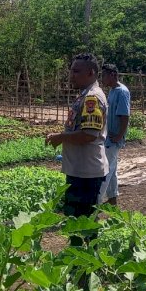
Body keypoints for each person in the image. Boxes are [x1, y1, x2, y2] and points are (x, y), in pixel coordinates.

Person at [45, 53, 108, 246]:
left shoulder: (92, 98)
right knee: (79, 226)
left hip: (86, 174)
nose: (71, 75)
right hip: (81, 171)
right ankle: (83, 267)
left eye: (76, 71)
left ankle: (84, 270)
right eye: (71, 71)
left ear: (90, 73)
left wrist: (60, 137)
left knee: (83, 227)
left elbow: (89, 135)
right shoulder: (85, 95)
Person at [98, 64, 130, 206]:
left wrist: (119, 136)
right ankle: (112, 200)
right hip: (109, 137)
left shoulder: (122, 92)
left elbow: (124, 116)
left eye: (104, 75)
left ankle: (95, 203)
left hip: (113, 138)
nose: (102, 79)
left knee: (106, 170)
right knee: (112, 170)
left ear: (112, 75)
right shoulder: (112, 91)